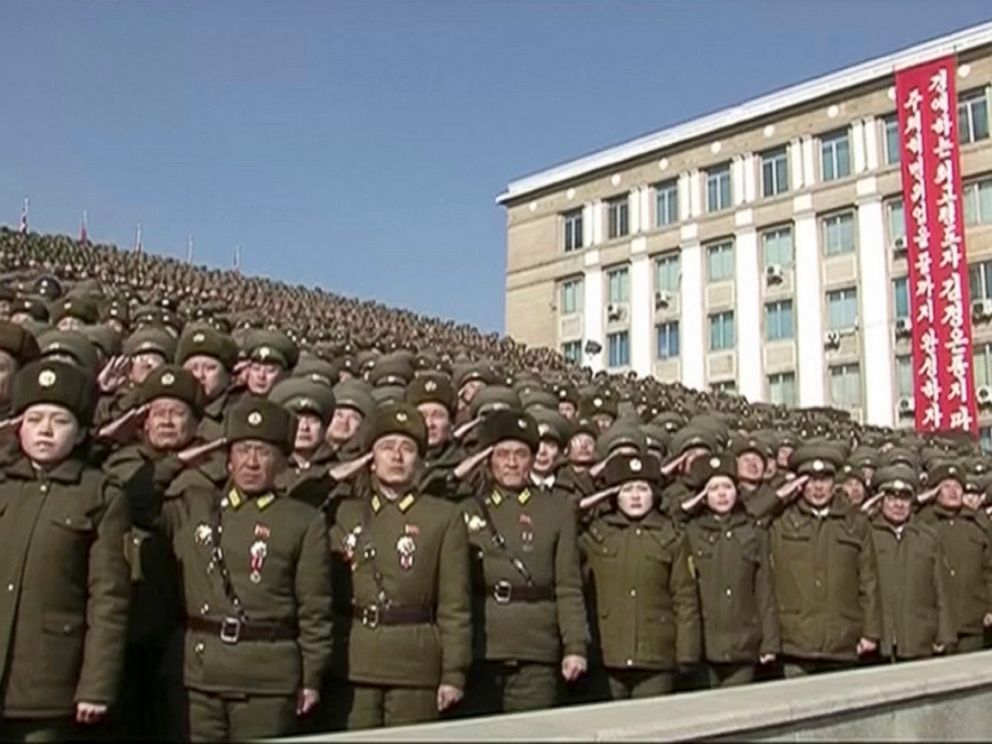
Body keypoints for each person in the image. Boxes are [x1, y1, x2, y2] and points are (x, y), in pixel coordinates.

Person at [146, 399, 333, 741]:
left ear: (281, 461)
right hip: (198, 674)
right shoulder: (193, 505)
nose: (251, 462)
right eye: (243, 450)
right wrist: (175, 462)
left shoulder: (303, 521)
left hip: (266, 678)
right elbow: (134, 503)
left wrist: (311, 677)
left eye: (262, 452)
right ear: (228, 458)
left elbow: (314, 609)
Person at [0, 360, 130, 741]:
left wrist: (96, 685)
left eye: (59, 421)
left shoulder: (100, 494)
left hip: (50, 678)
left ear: (80, 434)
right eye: (34, 418)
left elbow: (109, 597)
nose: (44, 430)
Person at [325, 402, 471, 729]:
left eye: (407, 449)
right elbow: (295, 506)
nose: (397, 456)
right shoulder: (343, 512)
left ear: (419, 461)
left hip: (415, 663)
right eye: (386, 448)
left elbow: (454, 606)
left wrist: (453, 672)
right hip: (354, 661)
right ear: (370, 460)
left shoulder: (443, 517)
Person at [459, 409, 589, 715]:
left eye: (520, 454)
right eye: (502, 454)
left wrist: (575, 646)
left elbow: (568, 585)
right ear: (489, 458)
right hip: (483, 646)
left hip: (536, 647)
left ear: (532, 459)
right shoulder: (467, 508)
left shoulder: (557, 509)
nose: (512, 463)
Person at [578, 453, 700, 699]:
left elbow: (685, 599)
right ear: (613, 495)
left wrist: (687, 653)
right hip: (606, 654)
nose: (635, 496)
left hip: (656, 655)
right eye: (627, 489)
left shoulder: (672, 536)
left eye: (642, 489)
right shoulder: (595, 534)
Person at [768, 445, 882, 676]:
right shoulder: (781, 520)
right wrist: (777, 497)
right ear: (800, 483)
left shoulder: (855, 522)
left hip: (842, 640)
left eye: (825, 479)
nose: (818, 487)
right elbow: (750, 516)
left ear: (835, 483)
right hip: (795, 641)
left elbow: (868, 580)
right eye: (810, 480)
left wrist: (871, 632)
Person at [682, 453, 779, 687]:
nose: (722, 494)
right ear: (703, 497)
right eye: (714, 489)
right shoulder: (691, 533)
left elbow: (764, 590)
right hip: (704, 644)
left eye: (727, 486)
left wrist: (770, 642)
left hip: (743, 642)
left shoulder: (753, 533)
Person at [867, 465, 956, 662]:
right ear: (880, 502)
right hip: (881, 638)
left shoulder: (927, 537)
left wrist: (944, 634)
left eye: (904, 499)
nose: (898, 505)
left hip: (919, 637)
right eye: (891, 499)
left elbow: (940, 588)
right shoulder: (868, 534)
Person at [917, 461, 992, 653]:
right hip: (935, 627)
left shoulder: (978, 524)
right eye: (946, 486)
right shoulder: (922, 524)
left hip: (973, 622)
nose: (953, 492)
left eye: (958, 487)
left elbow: (989, 570)